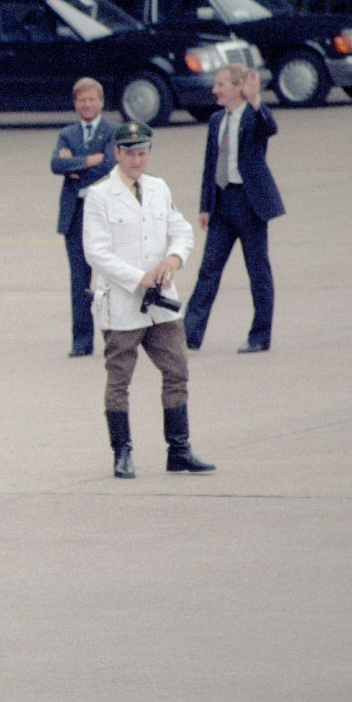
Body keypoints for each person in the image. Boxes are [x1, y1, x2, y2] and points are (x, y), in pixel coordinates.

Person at [83, 120, 214, 478]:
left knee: (177, 371)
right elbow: (96, 252)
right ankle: (121, 452)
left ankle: (179, 448)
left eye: (142, 152)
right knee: (119, 380)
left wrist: (173, 259)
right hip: (123, 304)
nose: (137, 160)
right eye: (130, 153)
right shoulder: (99, 195)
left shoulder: (158, 188)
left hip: (161, 304)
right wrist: (138, 277)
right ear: (117, 153)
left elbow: (181, 230)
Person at [183, 66, 284, 354]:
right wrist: (206, 204)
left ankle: (260, 335)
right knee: (208, 269)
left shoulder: (253, 117)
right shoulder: (216, 120)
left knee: (257, 270)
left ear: (239, 87)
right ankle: (190, 332)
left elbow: (270, 128)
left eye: (221, 84)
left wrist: (256, 101)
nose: (215, 90)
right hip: (223, 202)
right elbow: (210, 165)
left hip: (249, 203)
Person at [50, 77, 118, 359]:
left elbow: (111, 165)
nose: (87, 105)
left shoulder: (113, 130)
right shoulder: (67, 133)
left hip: (104, 215)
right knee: (79, 280)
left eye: (92, 100)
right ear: (75, 103)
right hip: (76, 215)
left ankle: (115, 336)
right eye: (82, 100)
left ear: (101, 102)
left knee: (110, 277)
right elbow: (56, 164)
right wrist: (88, 160)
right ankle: (81, 340)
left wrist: (75, 164)